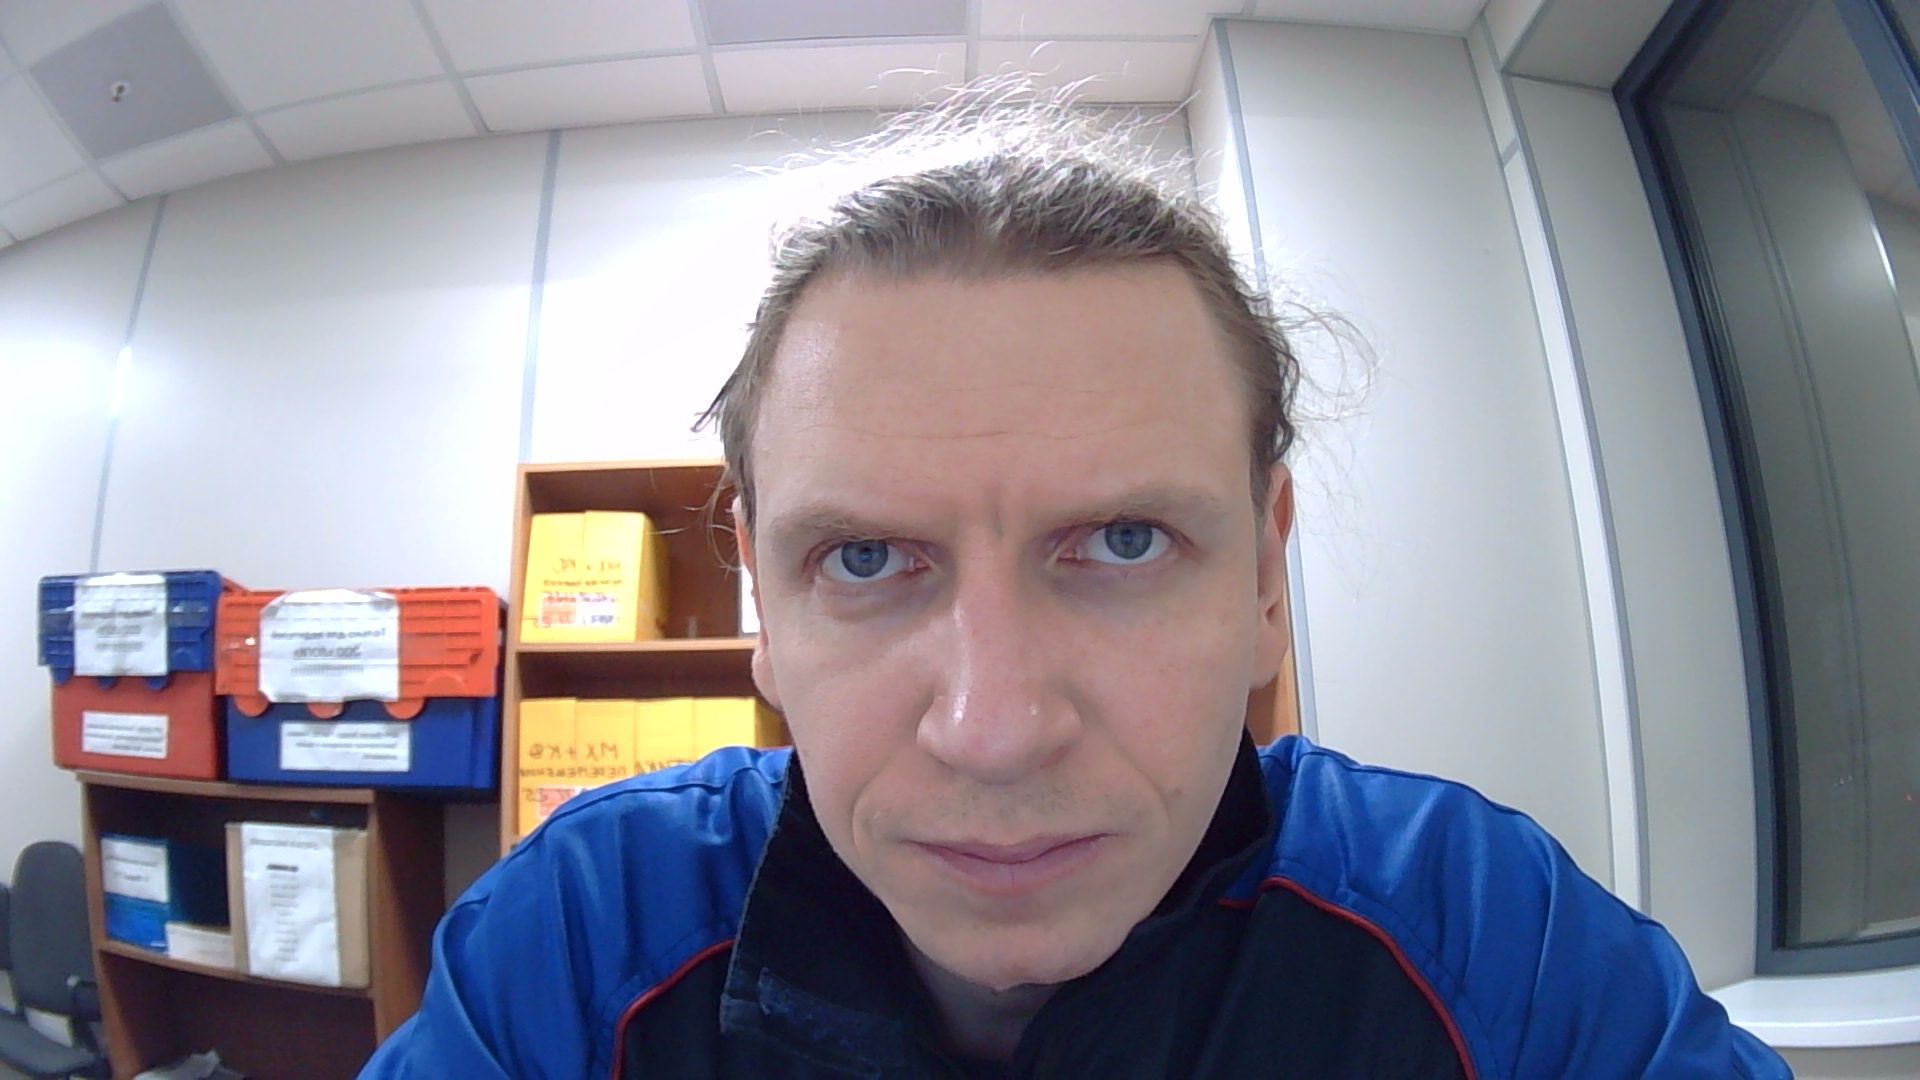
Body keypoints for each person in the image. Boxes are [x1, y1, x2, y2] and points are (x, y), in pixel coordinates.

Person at [359, 93, 1791, 1079]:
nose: (994, 731)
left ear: (1267, 579)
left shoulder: (1484, 936)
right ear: (764, 617)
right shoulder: (582, 939)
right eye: (865, 559)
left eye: (1123, 543)